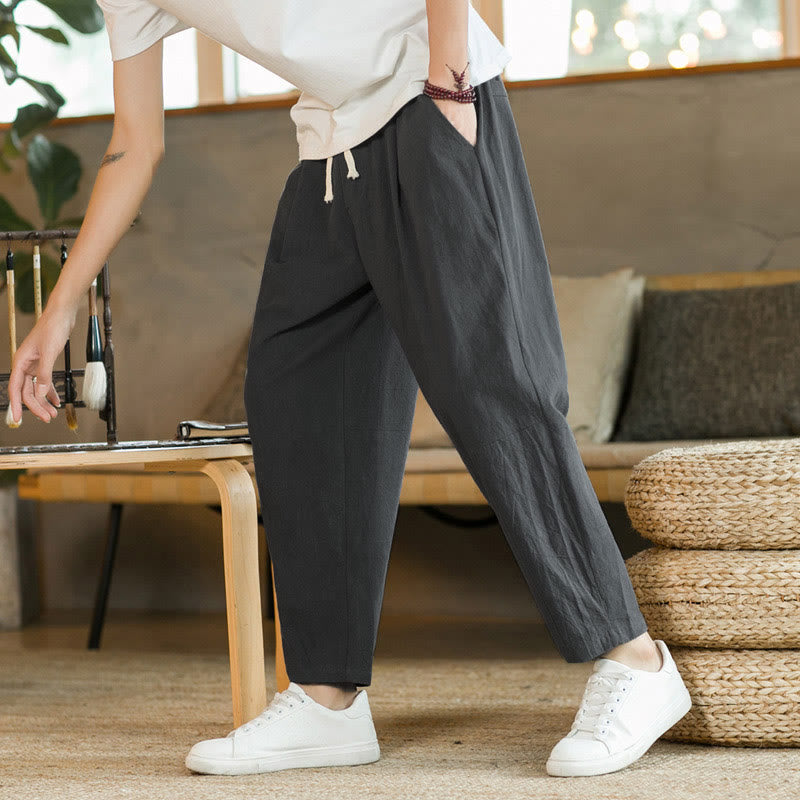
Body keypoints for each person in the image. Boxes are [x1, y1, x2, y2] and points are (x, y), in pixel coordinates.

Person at [6, 0, 692, 779]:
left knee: (492, 383)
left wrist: (451, 85)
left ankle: (634, 659)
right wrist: (58, 311)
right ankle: (328, 699)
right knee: (298, 394)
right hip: (330, 151)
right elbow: (134, 143)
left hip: (427, 101)